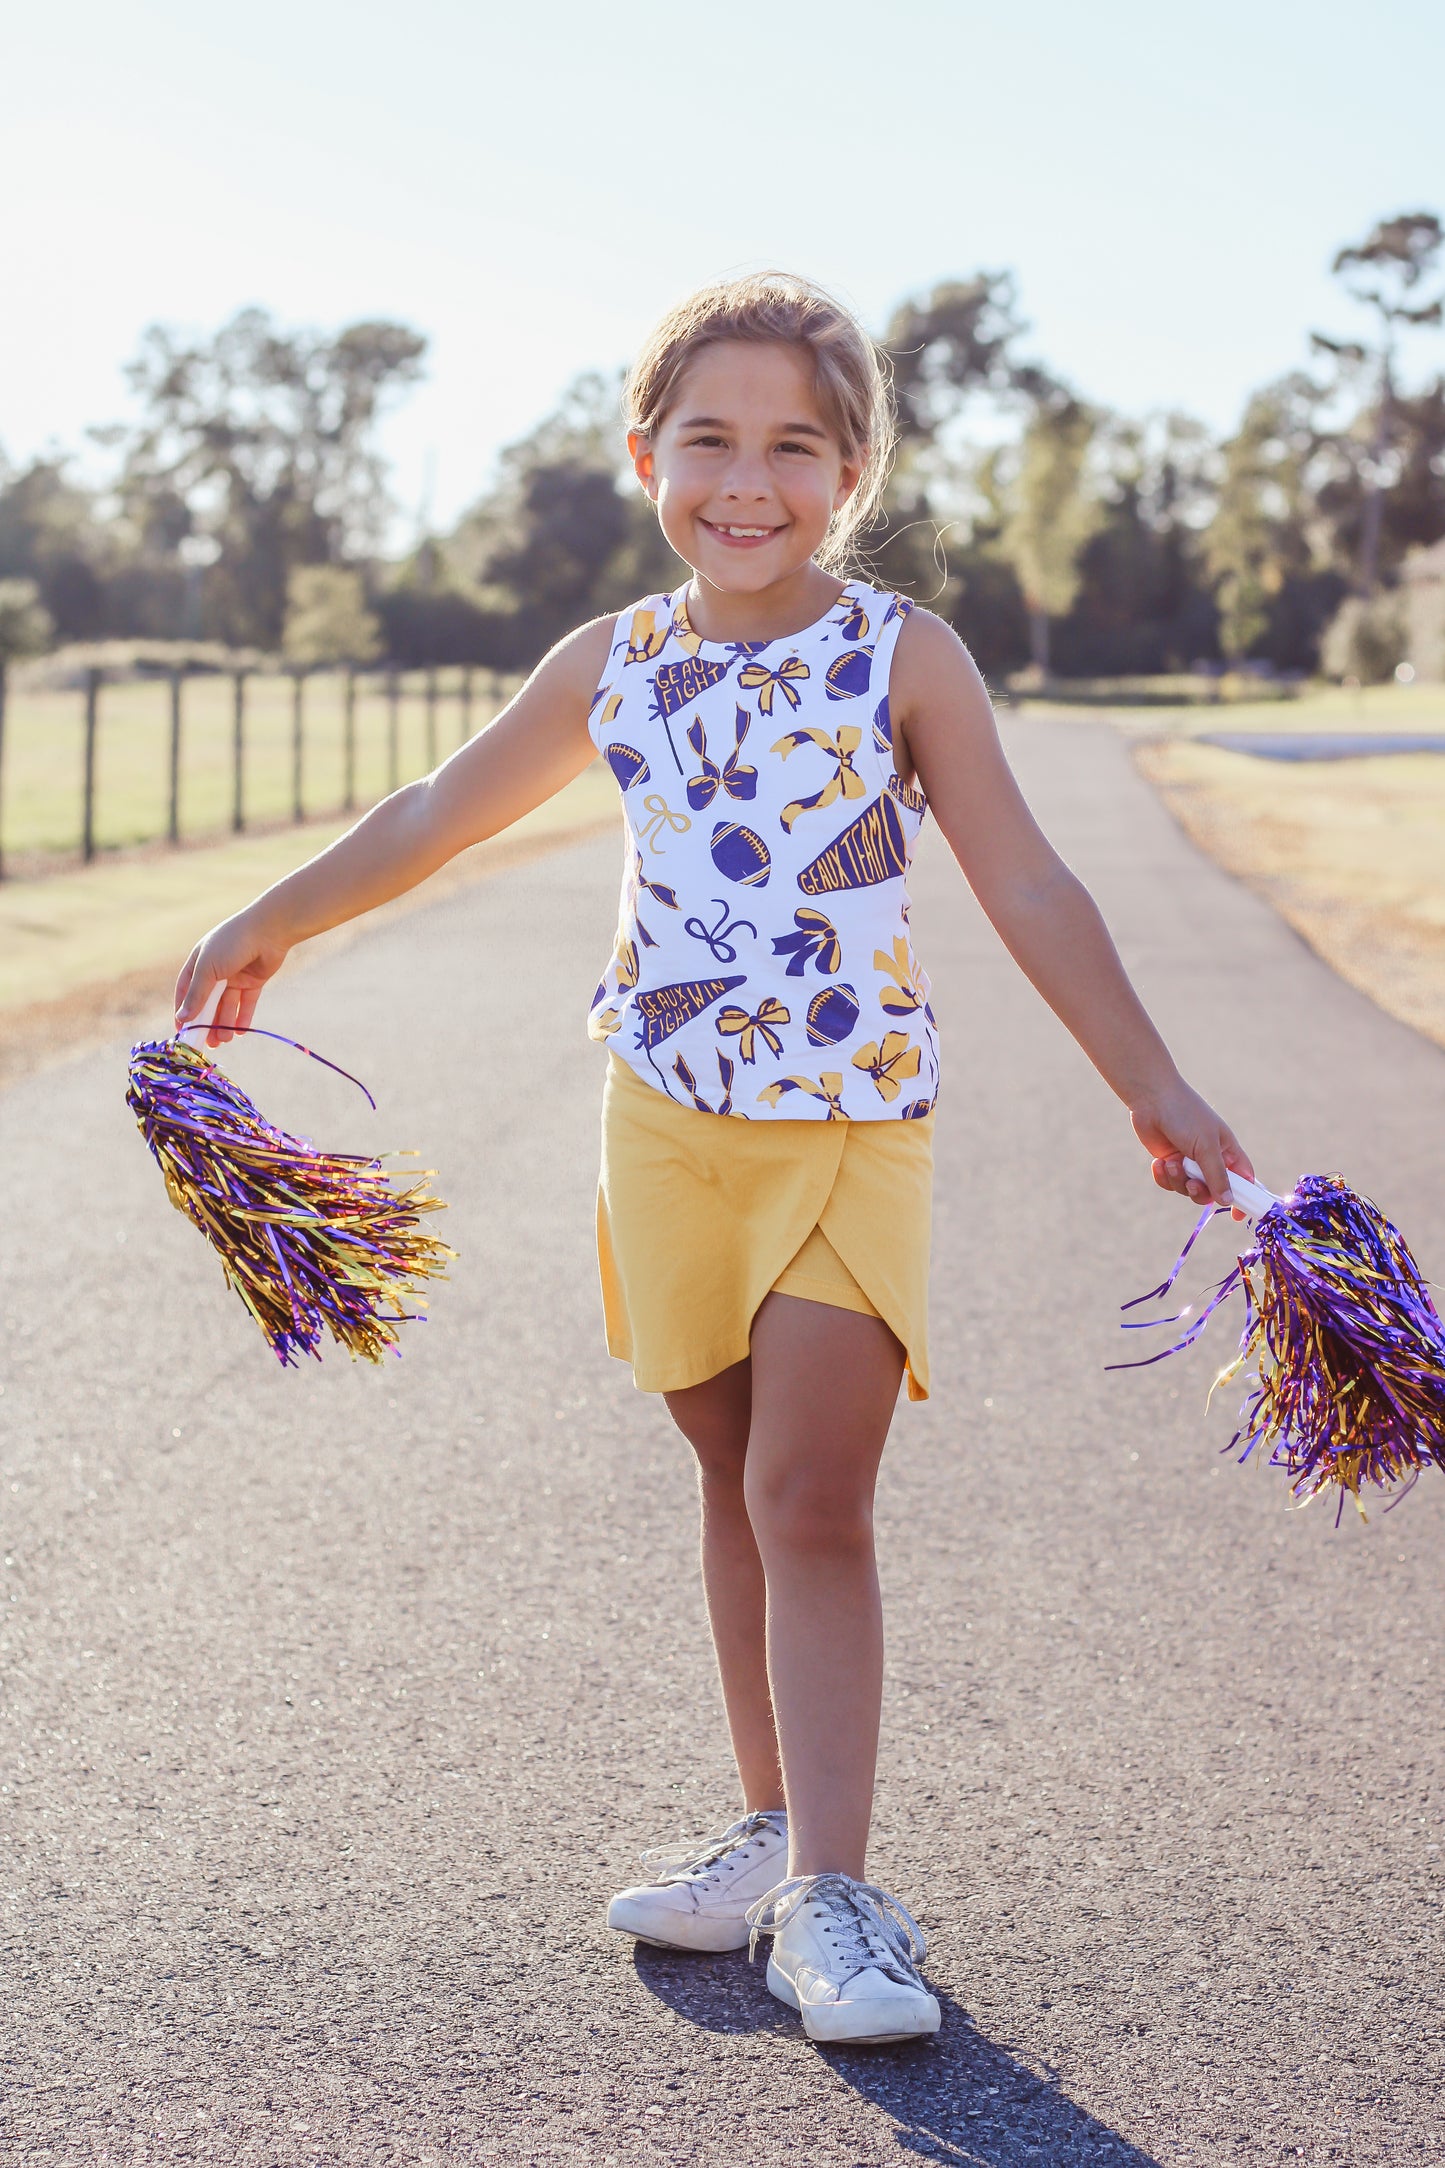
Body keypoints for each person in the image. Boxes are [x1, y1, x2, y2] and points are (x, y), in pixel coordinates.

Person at [176, 272, 1253, 2049]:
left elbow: (1028, 881)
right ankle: (771, 1833)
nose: (744, 482)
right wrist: (269, 917)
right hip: (662, 1127)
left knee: (813, 1502)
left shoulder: (901, 654)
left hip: (844, 1133)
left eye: (791, 447)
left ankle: (838, 1898)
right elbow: (441, 811)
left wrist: (1153, 1082)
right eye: (708, 442)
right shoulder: (613, 660)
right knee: (732, 1479)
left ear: (850, 472)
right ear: (645, 456)